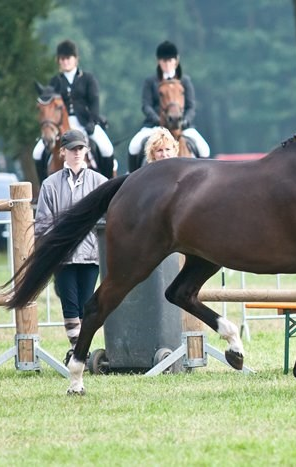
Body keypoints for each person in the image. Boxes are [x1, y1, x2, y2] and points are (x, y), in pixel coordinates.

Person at [35, 129, 108, 365]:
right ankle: (78, 350)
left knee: (87, 304)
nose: (77, 153)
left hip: (90, 254)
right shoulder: (50, 184)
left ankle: (80, 351)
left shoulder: (100, 182)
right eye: (72, 149)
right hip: (63, 256)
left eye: (80, 148)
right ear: (62, 152)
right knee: (69, 304)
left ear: (86, 150)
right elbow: (43, 222)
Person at [32, 40, 114, 175]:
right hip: (59, 125)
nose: (65, 62)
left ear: (75, 59)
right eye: (62, 59)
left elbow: (94, 102)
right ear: (58, 60)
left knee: (107, 148)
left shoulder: (88, 78)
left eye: (68, 58)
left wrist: (92, 122)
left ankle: (110, 187)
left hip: (85, 123)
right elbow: (49, 106)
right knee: (37, 152)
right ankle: (42, 189)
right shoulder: (54, 81)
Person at [128, 41, 210, 170]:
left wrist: (186, 120)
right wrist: (156, 118)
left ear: (176, 61)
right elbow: (146, 105)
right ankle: (131, 178)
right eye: (163, 61)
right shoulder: (151, 81)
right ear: (158, 62)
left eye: (170, 60)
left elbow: (190, 106)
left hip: (180, 125)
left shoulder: (184, 81)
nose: (167, 64)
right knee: (134, 145)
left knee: (204, 148)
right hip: (154, 125)